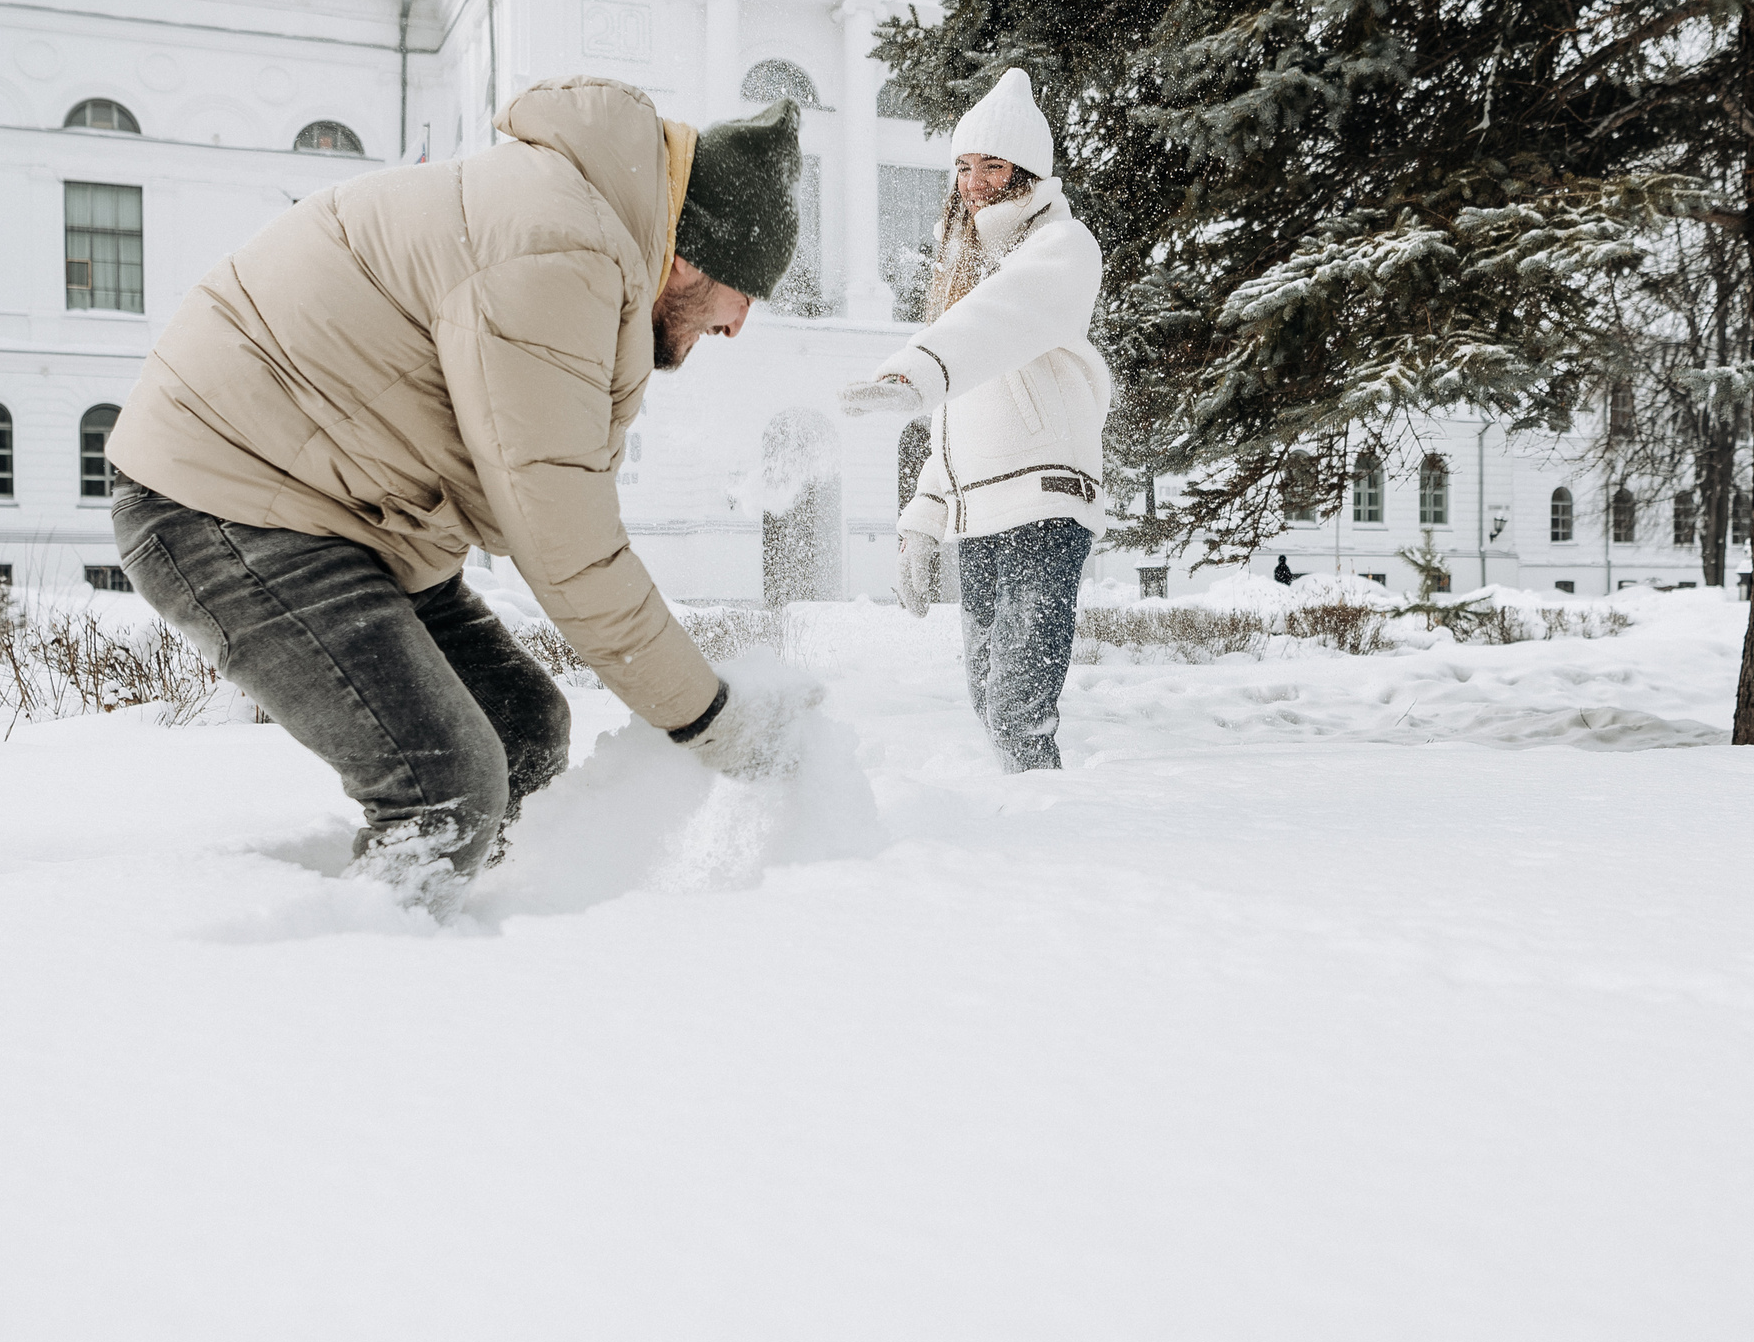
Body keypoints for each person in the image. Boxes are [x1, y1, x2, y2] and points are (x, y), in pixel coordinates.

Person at [106, 76, 805, 918]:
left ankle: (473, 942)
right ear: (692, 254)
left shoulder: (580, 235)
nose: (737, 328)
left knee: (520, 722)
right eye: (744, 295)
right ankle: (369, 993)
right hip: (230, 497)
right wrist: (712, 720)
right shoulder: (558, 250)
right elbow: (565, 544)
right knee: (440, 782)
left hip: (342, 508)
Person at [839, 69, 1108, 772]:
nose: (974, 181)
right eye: (964, 165)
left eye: (992, 165)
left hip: (1044, 505)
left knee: (1020, 710)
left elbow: (1002, 319)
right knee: (989, 705)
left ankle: (1046, 834)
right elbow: (957, 427)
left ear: (1027, 172)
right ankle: (1021, 832)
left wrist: (915, 370)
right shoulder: (968, 276)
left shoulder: (1061, 248)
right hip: (979, 518)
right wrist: (921, 527)